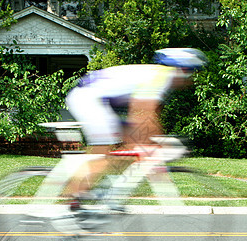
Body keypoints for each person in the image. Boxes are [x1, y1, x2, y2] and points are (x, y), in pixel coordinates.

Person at [65, 48, 208, 206]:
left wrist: (150, 140)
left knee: (133, 145)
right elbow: (143, 114)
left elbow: (148, 117)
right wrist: (156, 142)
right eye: (192, 74)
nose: (190, 81)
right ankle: (75, 194)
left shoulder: (158, 75)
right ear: (183, 70)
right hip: (89, 99)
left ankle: (103, 196)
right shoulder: (161, 77)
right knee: (104, 152)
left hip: (98, 99)